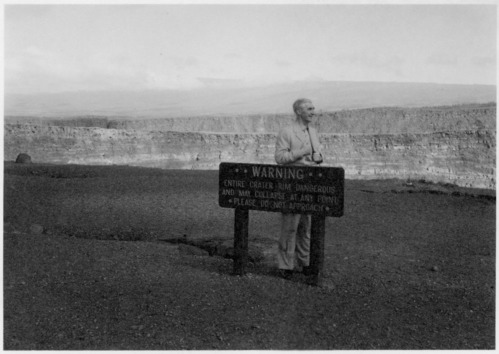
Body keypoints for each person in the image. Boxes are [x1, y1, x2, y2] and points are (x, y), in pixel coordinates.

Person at [274, 98, 323, 279]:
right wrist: (301, 153)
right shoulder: (287, 132)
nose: (313, 112)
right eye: (309, 109)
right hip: (291, 185)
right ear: (298, 111)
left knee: (306, 225)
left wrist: (318, 157)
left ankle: (305, 263)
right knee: (290, 226)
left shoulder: (313, 132)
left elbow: (315, 155)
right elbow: (279, 157)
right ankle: (285, 265)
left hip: (309, 184)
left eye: (313, 108)